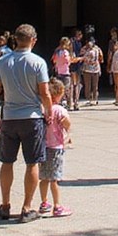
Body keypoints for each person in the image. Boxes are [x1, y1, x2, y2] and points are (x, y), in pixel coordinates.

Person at [0, 23, 52, 223]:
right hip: (32, 117)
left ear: (15, 40)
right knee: (32, 162)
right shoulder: (38, 62)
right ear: (33, 40)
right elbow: (45, 92)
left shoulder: (2, 62)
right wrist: (49, 112)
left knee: (7, 162)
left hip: (9, 116)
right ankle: (27, 207)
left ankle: (5, 204)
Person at [38, 77, 73, 217]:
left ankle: (44, 202)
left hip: (43, 147)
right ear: (58, 94)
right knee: (54, 179)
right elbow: (67, 124)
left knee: (44, 178)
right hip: (56, 147)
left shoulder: (42, 109)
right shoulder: (59, 110)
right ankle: (57, 206)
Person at [79, 37, 103, 106]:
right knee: (87, 85)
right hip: (86, 69)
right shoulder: (84, 49)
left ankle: (95, 99)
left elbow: (101, 57)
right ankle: (89, 99)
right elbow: (80, 56)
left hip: (95, 69)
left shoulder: (97, 48)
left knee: (95, 85)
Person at [68, 28, 83, 111]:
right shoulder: (72, 42)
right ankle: (72, 103)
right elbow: (72, 55)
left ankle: (75, 102)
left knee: (76, 85)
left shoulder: (78, 42)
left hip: (77, 64)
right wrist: (81, 58)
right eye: (79, 34)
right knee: (73, 85)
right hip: (73, 64)